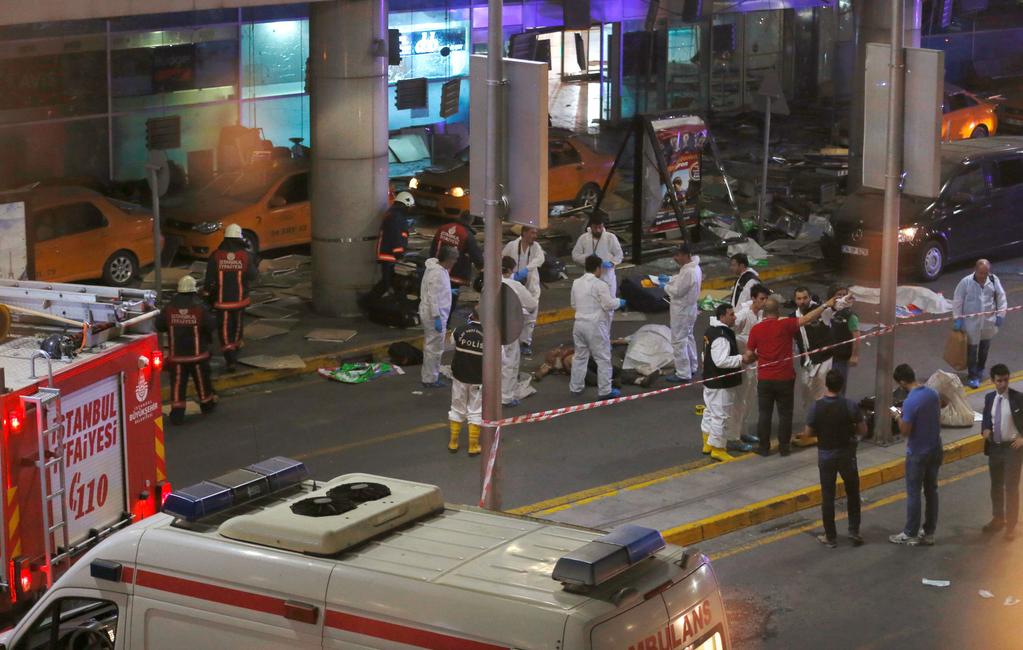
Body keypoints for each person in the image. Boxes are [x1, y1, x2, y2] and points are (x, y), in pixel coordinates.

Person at [747, 295, 836, 457]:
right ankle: (784, 447)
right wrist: (825, 306)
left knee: (764, 413)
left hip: (765, 379)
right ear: (777, 311)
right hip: (785, 377)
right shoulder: (786, 325)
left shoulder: (756, 329)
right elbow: (808, 318)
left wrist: (757, 356)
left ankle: (764, 447)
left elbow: (748, 355)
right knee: (785, 414)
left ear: (764, 312)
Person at [804, 370, 866, 548]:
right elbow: (863, 430)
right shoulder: (850, 405)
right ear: (841, 385)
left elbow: (808, 433)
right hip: (847, 454)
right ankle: (854, 531)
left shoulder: (817, 407)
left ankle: (830, 537)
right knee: (853, 492)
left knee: (828, 496)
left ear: (826, 384)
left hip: (826, 455)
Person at [889, 363, 943, 546]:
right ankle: (929, 533)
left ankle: (910, 532)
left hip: (918, 452)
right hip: (935, 448)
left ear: (902, 382)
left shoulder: (910, 401)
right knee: (931, 490)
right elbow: (944, 403)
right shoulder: (932, 393)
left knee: (914, 493)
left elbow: (905, 430)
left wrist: (897, 415)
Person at [156, 276, 217, 425]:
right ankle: (207, 405)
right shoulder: (199, 307)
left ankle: (177, 414)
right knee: (202, 381)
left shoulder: (170, 308)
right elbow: (211, 325)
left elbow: (159, 325)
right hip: (197, 356)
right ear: (193, 289)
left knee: (177, 384)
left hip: (177, 357)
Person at [570, 254, 627, 399]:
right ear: (598, 268)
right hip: (595, 326)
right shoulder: (600, 285)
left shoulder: (576, 282)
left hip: (579, 324)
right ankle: (605, 390)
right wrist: (620, 302)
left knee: (580, 357)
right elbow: (608, 304)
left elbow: (573, 304)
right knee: (603, 358)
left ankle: (576, 387)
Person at [204, 223, 258, 373]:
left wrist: (207, 296)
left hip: (222, 303)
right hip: (240, 301)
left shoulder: (216, 256)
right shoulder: (245, 256)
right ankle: (236, 347)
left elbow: (209, 280)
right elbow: (253, 276)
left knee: (224, 329)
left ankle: (230, 357)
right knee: (238, 325)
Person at [981, 363, 1023, 540]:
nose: (1003, 384)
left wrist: (1022, 437)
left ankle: (1011, 526)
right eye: (999, 381)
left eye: (1006, 380)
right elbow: (986, 418)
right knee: (996, 486)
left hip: (1012, 449)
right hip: (995, 448)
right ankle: (998, 518)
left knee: (1011, 487)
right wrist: (985, 429)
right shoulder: (990, 398)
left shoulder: (1018, 398)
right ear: (992, 381)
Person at [701, 304, 748, 461]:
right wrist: (742, 359)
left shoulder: (711, 330)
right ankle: (718, 448)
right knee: (721, 415)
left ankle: (707, 443)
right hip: (722, 383)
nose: (734, 317)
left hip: (710, 380)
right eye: (731, 314)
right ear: (722, 316)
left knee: (710, 412)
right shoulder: (722, 336)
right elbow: (721, 361)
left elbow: (704, 356)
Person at [953, 259, 1008, 388]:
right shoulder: (966, 282)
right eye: (981, 273)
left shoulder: (994, 280)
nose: (983, 276)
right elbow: (957, 301)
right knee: (972, 351)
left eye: (986, 273)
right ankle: (972, 375)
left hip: (988, 322)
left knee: (984, 349)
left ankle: (980, 370)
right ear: (975, 270)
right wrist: (958, 319)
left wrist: (1000, 315)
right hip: (971, 324)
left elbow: (1001, 298)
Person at [731, 284, 771, 446]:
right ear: (753, 298)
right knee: (739, 401)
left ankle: (743, 431)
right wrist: (745, 349)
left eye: (766, 299)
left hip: (755, 365)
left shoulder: (761, 314)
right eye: (762, 299)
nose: (764, 302)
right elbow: (730, 334)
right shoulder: (742, 315)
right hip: (743, 364)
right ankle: (734, 437)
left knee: (749, 399)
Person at [792, 286, 834, 438]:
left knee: (822, 396)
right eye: (799, 298)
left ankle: (824, 428)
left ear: (810, 298)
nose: (802, 301)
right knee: (807, 397)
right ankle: (811, 428)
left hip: (824, 360)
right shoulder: (793, 317)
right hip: (807, 363)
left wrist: (839, 302)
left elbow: (834, 310)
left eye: (805, 298)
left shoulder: (821, 311)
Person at [431, 211, 484, 322]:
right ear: (471, 221)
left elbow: (433, 248)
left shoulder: (443, 228)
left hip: (434, 271)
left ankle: (435, 320)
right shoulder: (466, 235)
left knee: (434, 298)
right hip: (453, 276)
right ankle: (444, 324)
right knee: (448, 304)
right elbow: (478, 258)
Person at [660, 243, 702, 383]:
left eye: (678, 255)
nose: (675, 258)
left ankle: (683, 373)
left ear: (686, 255)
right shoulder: (693, 267)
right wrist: (670, 279)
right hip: (690, 309)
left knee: (678, 341)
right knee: (688, 337)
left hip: (682, 310)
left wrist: (665, 286)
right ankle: (692, 365)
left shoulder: (689, 271)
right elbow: (681, 280)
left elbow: (678, 291)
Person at [501, 256, 539, 407]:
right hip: (509, 329)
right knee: (509, 363)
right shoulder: (515, 285)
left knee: (492, 362)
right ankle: (506, 397)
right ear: (511, 270)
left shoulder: (489, 283)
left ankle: (490, 392)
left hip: (491, 329)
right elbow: (531, 304)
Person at [502, 226, 545, 356]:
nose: (534, 236)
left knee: (531, 315)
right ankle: (511, 339)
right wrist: (510, 274)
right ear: (524, 233)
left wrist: (526, 269)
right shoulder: (512, 245)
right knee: (513, 313)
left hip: (531, 285)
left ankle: (526, 342)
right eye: (532, 233)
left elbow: (540, 259)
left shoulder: (536, 247)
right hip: (515, 283)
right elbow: (502, 258)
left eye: (536, 233)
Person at [419, 246, 458, 388]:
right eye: (453, 260)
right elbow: (433, 297)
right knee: (434, 348)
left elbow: (435, 290)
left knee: (432, 346)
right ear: (448, 259)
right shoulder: (436, 273)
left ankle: (430, 375)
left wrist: (448, 291)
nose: (454, 263)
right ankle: (430, 379)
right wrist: (436, 317)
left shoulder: (437, 269)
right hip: (434, 314)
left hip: (434, 312)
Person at [448, 308, 484, 456]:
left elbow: (451, 343)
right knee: (475, 410)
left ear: (471, 316)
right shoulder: (490, 335)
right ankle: (473, 446)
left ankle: (453, 442)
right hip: (478, 378)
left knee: (457, 407)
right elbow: (499, 356)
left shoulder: (459, 330)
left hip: (459, 376)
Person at [369, 192, 413, 298]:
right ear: (405, 204)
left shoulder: (394, 214)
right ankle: (368, 301)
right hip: (389, 254)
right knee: (387, 282)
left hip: (388, 253)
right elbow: (396, 235)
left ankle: (371, 301)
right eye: (410, 207)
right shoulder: (396, 216)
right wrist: (398, 252)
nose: (410, 210)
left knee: (389, 281)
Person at [572, 213, 624, 300]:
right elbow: (575, 255)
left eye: (600, 227)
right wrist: (588, 257)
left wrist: (611, 263)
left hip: (607, 276)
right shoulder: (583, 238)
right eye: (595, 228)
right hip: (589, 277)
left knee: (608, 301)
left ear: (603, 226)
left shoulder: (610, 237)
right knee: (591, 302)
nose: (598, 230)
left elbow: (619, 254)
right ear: (590, 227)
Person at [826, 284, 859, 390]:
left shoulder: (850, 316)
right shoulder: (827, 312)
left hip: (840, 358)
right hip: (826, 357)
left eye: (845, 295)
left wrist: (854, 355)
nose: (842, 298)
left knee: (837, 387)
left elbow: (856, 335)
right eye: (839, 295)